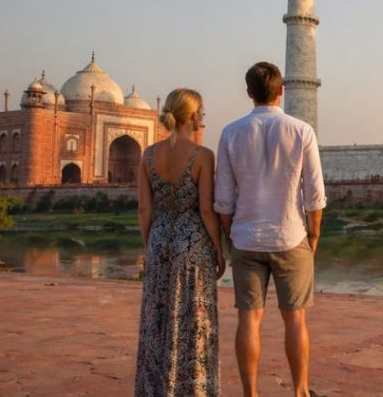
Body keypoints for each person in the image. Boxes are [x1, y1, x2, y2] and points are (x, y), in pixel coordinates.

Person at [215, 62, 325, 397]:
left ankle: (251, 394)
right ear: (282, 90)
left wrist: (230, 237)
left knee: (249, 319)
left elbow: (223, 198)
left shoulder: (231, 133)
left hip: (246, 239)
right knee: (296, 320)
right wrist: (313, 236)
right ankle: (301, 392)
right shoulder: (301, 130)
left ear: (249, 93)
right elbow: (315, 195)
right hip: (291, 237)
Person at [134, 88, 226, 397]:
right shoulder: (202, 156)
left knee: (156, 320)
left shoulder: (148, 154)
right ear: (193, 116)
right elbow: (205, 209)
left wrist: (150, 245)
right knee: (192, 321)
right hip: (193, 248)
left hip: (159, 239)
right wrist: (219, 248)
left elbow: (145, 208)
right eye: (202, 111)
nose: (203, 117)